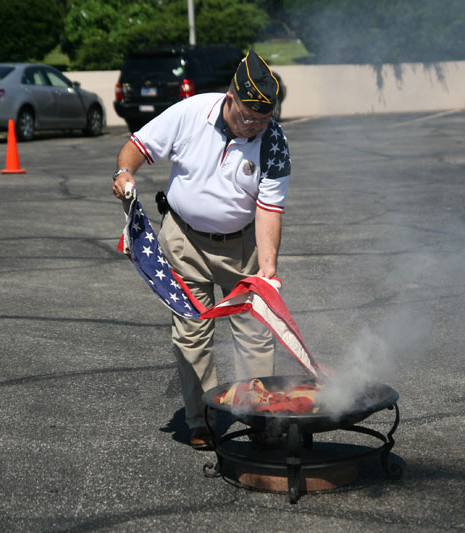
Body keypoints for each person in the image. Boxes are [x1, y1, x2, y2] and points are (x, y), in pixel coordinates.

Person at [111, 50, 291, 450]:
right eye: (247, 116)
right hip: (184, 239)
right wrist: (124, 173)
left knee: (256, 333)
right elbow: (137, 147)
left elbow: (269, 210)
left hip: (241, 244)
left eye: (261, 119)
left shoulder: (273, 142)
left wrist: (268, 270)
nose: (253, 126)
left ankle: (257, 416)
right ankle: (203, 420)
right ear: (230, 98)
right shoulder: (190, 112)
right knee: (191, 333)